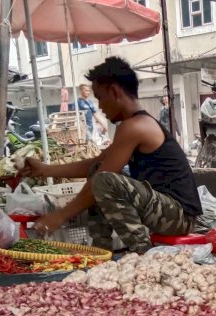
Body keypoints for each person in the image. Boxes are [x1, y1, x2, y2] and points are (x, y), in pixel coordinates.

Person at [18, 57, 202, 254]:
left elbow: (102, 178)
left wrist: (59, 216)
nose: (100, 107)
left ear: (115, 92)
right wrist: (45, 170)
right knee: (98, 173)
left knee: (104, 181)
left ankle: (144, 254)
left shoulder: (135, 126)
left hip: (179, 216)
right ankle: (101, 250)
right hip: (165, 211)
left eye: (99, 98)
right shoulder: (132, 125)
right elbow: (97, 163)